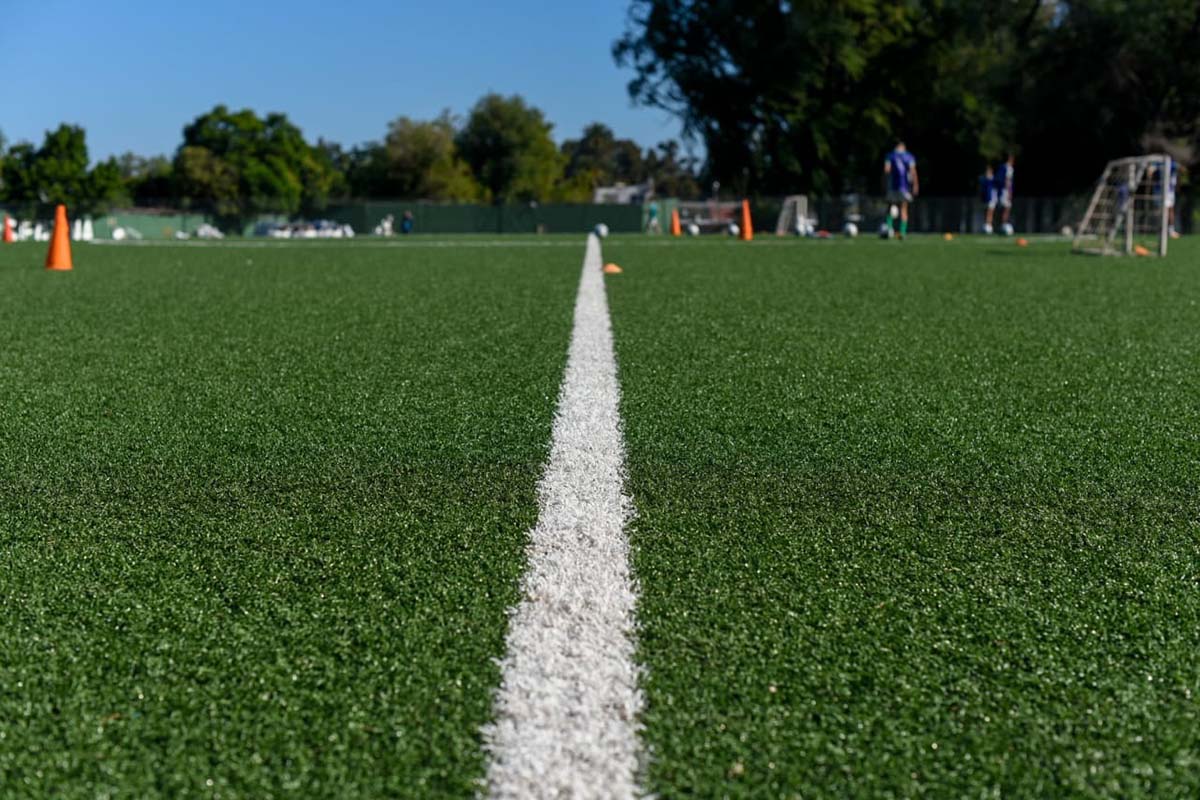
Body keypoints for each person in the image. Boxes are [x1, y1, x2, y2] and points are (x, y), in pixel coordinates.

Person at [883, 141, 918, 239]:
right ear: (903, 147)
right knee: (903, 209)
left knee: (890, 207)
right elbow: (913, 171)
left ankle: (889, 230)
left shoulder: (890, 155)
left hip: (893, 186)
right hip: (904, 187)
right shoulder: (909, 156)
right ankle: (902, 233)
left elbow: (886, 170)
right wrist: (915, 184)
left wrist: (884, 184)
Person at [995, 153, 1016, 235]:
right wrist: (1010, 192)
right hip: (1005, 191)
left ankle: (1001, 225)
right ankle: (1003, 225)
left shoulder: (1001, 167)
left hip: (1001, 191)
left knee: (1002, 209)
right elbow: (1008, 181)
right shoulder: (1008, 168)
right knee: (1006, 209)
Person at [980, 166, 998, 234]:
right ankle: (987, 225)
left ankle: (989, 226)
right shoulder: (984, 179)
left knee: (990, 212)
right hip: (985, 198)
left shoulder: (993, 179)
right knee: (986, 212)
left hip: (992, 198)